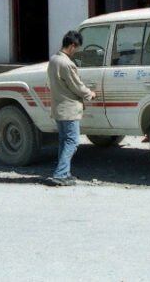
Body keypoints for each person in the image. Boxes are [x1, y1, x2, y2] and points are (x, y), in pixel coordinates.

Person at [47, 30, 96, 186]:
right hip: (69, 109)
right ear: (73, 46)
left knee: (64, 141)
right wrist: (90, 94)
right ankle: (60, 174)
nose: (76, 52)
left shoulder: (54, 59)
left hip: (58, 107)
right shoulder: (67, 64)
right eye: (77, 48)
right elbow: (76, 86)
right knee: (73, 141)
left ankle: (65, 173)